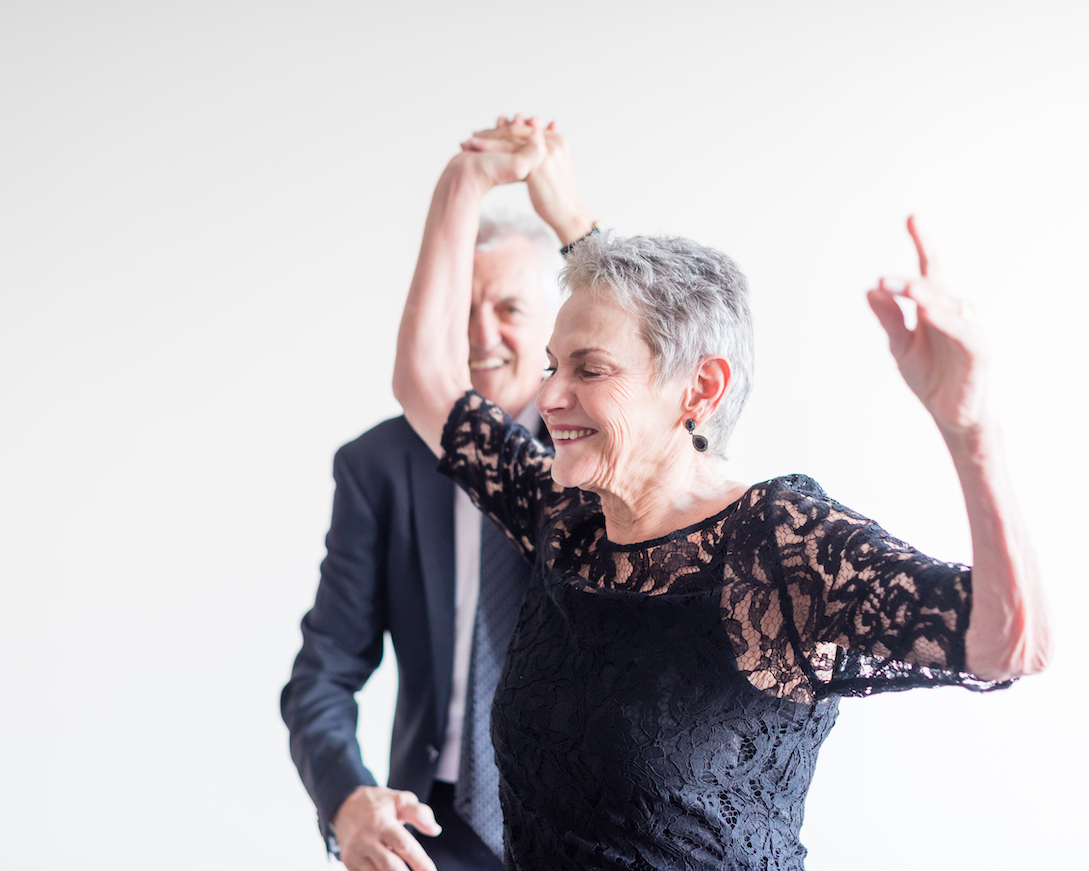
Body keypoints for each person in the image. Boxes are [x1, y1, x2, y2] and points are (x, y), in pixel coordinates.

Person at [392, 117, 1051, 870]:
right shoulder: (566, 519)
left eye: (588, 370)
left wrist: (971, 431)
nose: (551, 397)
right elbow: (426, 381)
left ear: (699, 389)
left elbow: (1011, 643)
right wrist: (465, 180)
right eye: (552, 367)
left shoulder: (778, 548)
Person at [282, 118, 596, 871]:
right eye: (460, 311)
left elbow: (651, 336)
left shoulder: (601, 454)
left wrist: (573, 215)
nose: (480, 334)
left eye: (510, 309)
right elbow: (322, 674)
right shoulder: (377, 464)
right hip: (437, 824)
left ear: (557, 325)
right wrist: (347, 800)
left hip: (586, 821)